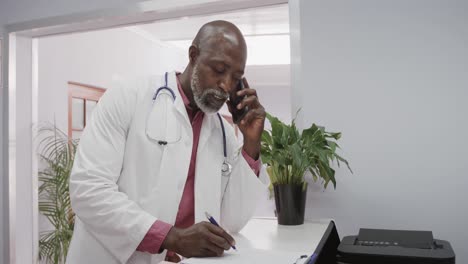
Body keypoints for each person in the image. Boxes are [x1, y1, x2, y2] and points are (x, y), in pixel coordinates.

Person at [66, 20, 269, 264]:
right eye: (218, 70)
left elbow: (233, 220)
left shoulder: (224, 134)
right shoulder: (126, 97)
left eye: (236, 77)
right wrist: (171, 238)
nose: (226, 85)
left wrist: (251, 144)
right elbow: (88, 190)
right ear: (193, 55)